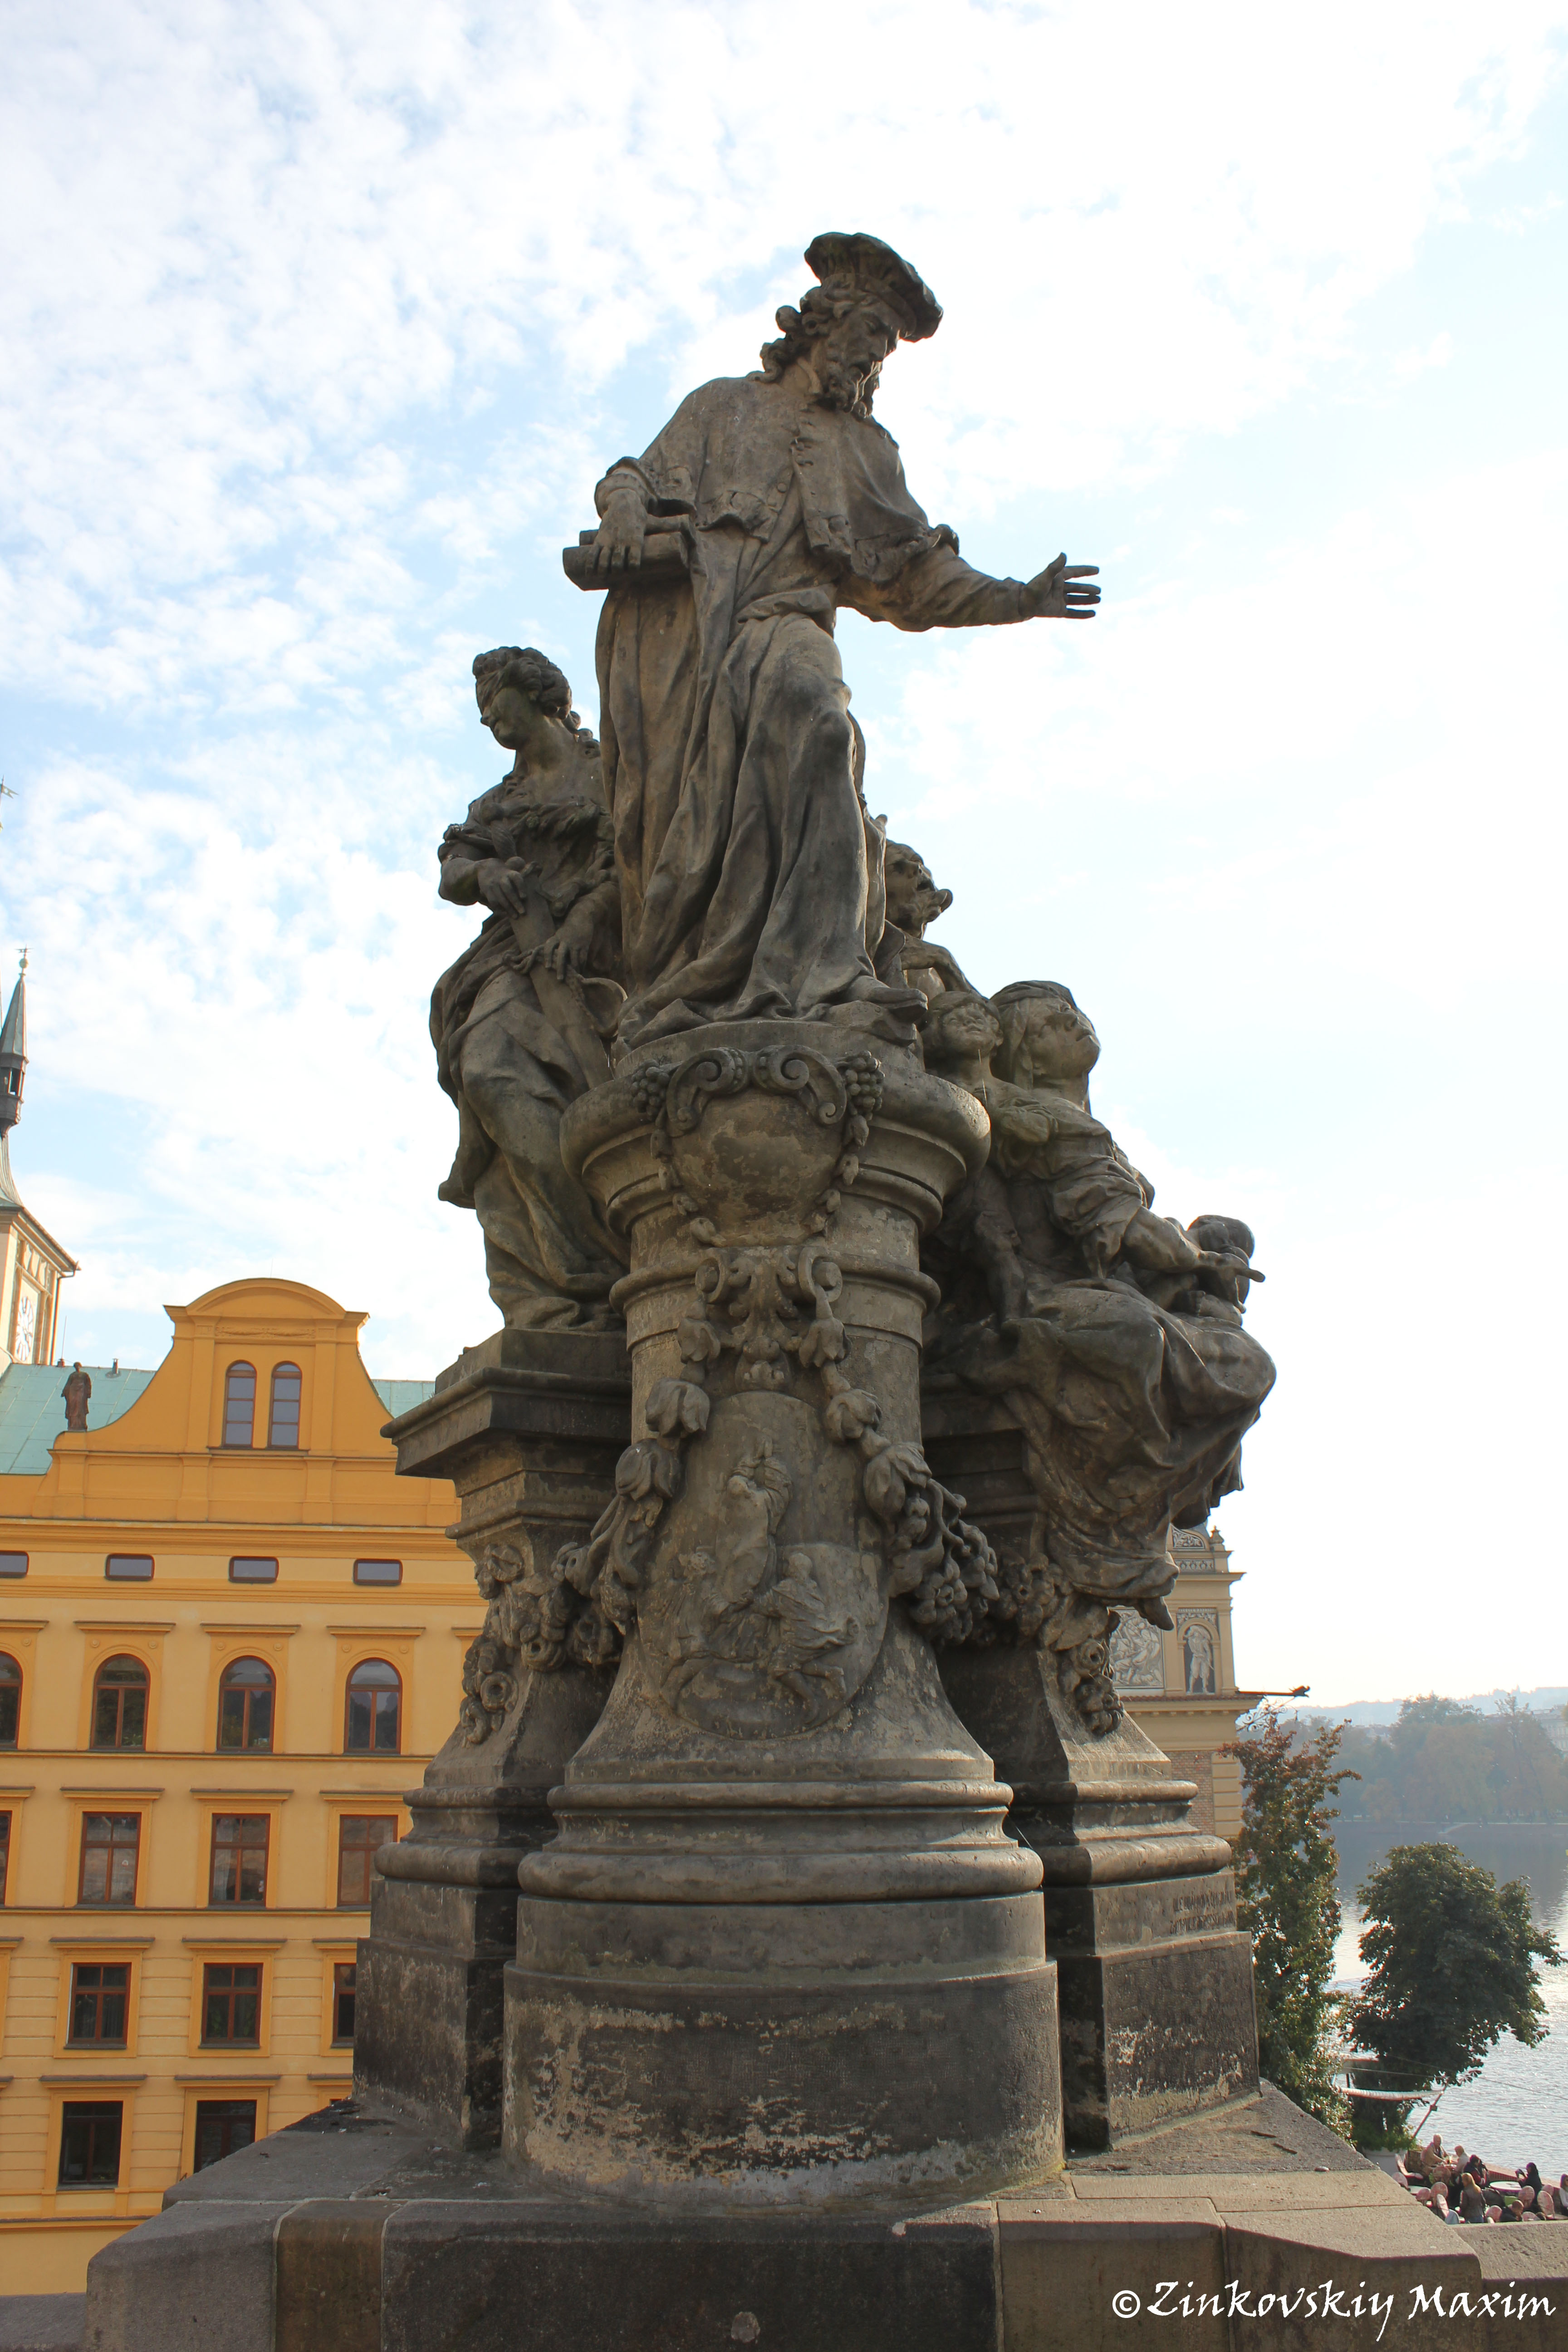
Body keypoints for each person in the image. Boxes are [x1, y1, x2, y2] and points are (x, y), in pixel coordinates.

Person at [588, 232, 1100, 1046]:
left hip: (784, 626)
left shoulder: (866, 450)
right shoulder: (723, 407)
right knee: (680, 837)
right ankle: (698, 974)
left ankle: (830, 975)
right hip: (686, 645)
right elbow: (634, 479)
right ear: (821, 325)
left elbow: (916, 575)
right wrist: (622, 511)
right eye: (868, 336)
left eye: (885, 350)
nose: (872, 360)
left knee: (823, 726)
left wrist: (1017, 598)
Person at [921, 984, 1275, 1623]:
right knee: (1137, 1338)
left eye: (1074, 1014)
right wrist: (1195, 1260)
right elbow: (1126, 1228)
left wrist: (1201, 1266)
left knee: (1246, 1362)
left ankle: (1133, 1512)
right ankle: (1113, 1525)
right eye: (1055, 1023)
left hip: (1099, 1292)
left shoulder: (1087, 1132)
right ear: (1027, 1055)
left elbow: (1133, 1237)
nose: (1076, 1024)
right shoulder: (1043, 1121)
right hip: (1041, 1300)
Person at [430, 647, 627, 1329]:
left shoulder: (609, 770)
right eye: (481, 708)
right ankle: (567, 1276)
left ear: (537, 692)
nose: (487, 717)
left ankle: (604, 1260)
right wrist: (483, 876)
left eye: (495, 700)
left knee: (568, 1093)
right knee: (488, 1069)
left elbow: (639, 856)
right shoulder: (497, 802)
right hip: (514, 953)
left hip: (606, 949)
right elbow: (453, 871)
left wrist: (584, 921)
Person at [61, 1361, 91, 1431]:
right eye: (76, 1366)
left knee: (81, 1406)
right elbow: (68, 1384)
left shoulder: (84, 1375)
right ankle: (73, 1424)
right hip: (73, 1391)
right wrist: (64, 1392)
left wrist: (88, 1392)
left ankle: (81, 1424)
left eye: (78, 1366)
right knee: (72, 1407)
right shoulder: (72, 1375)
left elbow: (88, 1384)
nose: (77, 1368)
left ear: (80, 1367)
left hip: (81, 1391)